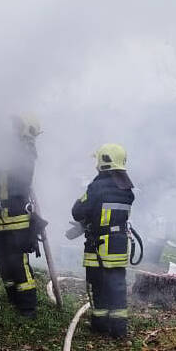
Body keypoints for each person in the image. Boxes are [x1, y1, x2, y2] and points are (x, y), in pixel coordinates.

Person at [71, 143, 135, 338]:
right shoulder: (127, 189)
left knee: (98, 285)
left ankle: (100, 325)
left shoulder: (97, 186)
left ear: (104, 161)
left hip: (98, 246)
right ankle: (119, 330)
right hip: (118, 245)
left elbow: (77, 211)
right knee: (117, 286)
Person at [0, 114, 42, 318]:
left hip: (17, 217)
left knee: (18, 263)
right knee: (3, 261)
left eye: (16, 126)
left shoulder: (25, 151)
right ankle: (13, 299)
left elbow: (16, 167)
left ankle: (28, 308)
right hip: (0, 217)